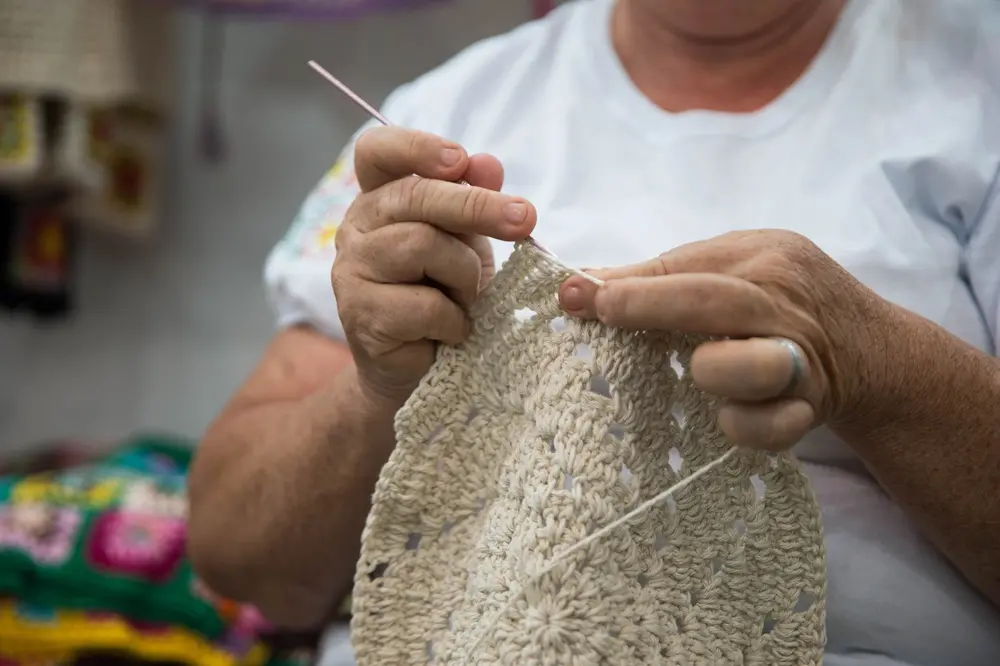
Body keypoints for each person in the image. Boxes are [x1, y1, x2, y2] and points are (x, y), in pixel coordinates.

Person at [186, 0, 1000, 663]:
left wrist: (878, 366)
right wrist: (381, 389)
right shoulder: (446, 113)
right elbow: (241, 559)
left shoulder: (972, 79)